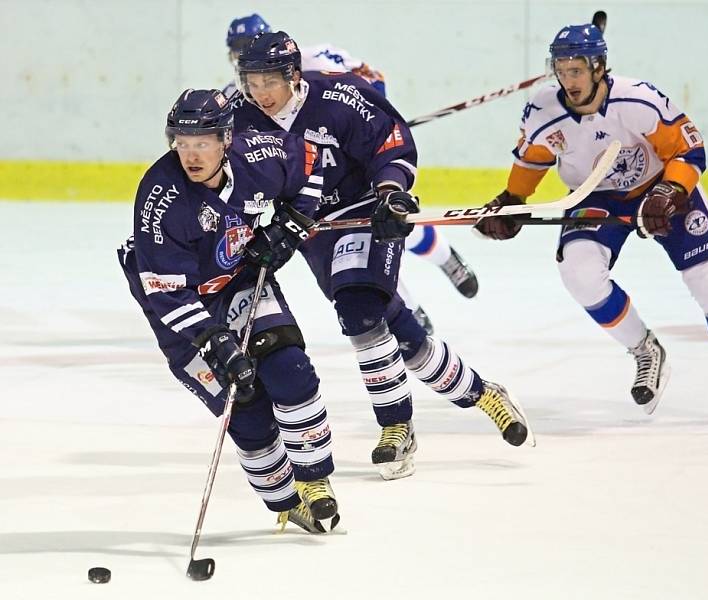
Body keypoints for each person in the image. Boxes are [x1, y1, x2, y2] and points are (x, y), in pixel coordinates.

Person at [231, 31, 532, 480]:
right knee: (399, 331)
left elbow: (391, 144)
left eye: (267, 83)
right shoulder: (242, 114)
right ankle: (482, 391)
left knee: (358, 312)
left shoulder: (339, 96)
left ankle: (397, 427)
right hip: (309, 227)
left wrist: (391, 194)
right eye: (250, 83)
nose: (259, 94)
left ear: (293, 76)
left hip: (364, 212)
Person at [475, 23, 708, 419]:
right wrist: (512, 201)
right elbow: (533, 159)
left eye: (576, 70)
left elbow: (690, 150)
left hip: (660, 188)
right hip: (594, 195)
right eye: (561, 70)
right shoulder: (543, 110)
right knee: (579, 273)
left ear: (599, 67)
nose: (568, 79)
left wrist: (671, 192)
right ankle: (645, 349)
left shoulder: (639, 100)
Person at [117, 88, 341, 533]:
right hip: (183, 306)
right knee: (245, 409)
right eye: (181, 143)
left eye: (201, 143)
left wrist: (292, 223)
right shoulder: (161, 198)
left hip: (240, 280)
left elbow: (313, 165)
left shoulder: (258, 153)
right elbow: (164, 291)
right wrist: (214, 339)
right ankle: (283, 500)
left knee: (290, 370)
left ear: (226, 139)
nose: (191, 154)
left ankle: (315, 480)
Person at [224, 14, 480, 334]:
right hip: (311, 202)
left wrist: (365, 122)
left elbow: (371, 81)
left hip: (351, 170)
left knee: (394, 223)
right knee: (355, 269)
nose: (245, 55)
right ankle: (409, 310)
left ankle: (445, 259)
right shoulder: (242, 98)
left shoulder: (316, 60)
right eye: (237, 51)